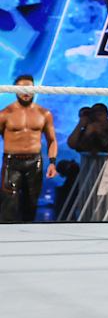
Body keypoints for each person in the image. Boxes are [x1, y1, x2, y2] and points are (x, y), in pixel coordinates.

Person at [1, 75, 57, 223]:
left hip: (34, 162)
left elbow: (52, 140)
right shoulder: (5, 114)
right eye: (22, 89)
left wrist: (52, 162)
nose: (26, 93)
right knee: (9, 202)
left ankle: (27, 239)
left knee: (31, 204)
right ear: (15, 90)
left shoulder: (44, 114)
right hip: (12, 162)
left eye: (29, 88)